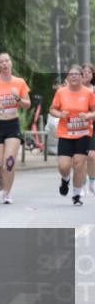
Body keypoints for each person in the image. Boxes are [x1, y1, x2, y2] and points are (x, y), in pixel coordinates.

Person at [0, 53, 31, 204]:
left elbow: (27, 104)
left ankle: (7, 193)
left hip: (12, 124)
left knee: (9, 162)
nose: (4, 64)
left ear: (11, 63)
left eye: (7, 61)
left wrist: (18, 98)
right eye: (1, 62)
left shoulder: (19, 82)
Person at [49, 64, 95, 205]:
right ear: (67, 77)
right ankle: (65, 179)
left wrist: (88, 116)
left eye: (77, 74)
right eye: (71, 74)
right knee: (64, 166)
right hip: (65, 134)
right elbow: (52, 109)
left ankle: (76, 194)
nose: (74, 76)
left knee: (79, 164)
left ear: (82, 77)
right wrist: (60, 114)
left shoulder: (88, 93)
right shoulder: (61, 92)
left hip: (83, 134)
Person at [82, 63, 95, 197]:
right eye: (84, 72)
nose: (86, 74)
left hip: (93, 125)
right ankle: (82, 182)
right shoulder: (75, 89)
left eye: (89, 72)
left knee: (91, 156)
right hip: (78, 126)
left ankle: (92, 181)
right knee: (81, 157)